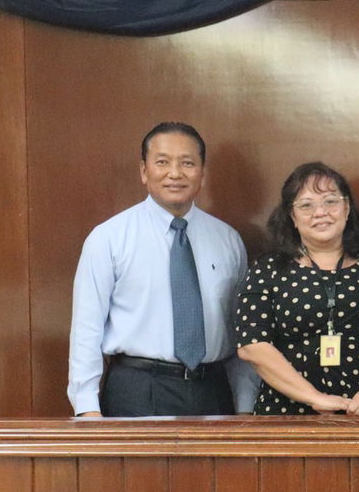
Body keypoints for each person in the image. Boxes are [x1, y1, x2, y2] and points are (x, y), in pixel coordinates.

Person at [68, 121, 256, 417]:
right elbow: (86, 329)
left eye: (187, 163)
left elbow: (241, 331)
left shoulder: (228, 240)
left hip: (212, 389)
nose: (175, 173)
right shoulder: (109, 238)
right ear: (144, 171)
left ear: (202, 174)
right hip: (137, 388)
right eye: (162, 162)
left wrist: (245, 406)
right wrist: (87, 408)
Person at [235, 162, 359, 415]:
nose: (320, 212)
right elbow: (252, 345)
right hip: (288, 415)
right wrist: (314, 398)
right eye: (306, 205)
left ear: (347, 208)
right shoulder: (269, 268)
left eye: (330, 201)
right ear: (292, 216)